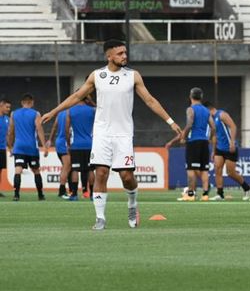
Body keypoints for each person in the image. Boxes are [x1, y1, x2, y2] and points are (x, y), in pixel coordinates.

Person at [41, 40, 182, 230]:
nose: (124, 56)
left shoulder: (133, 76)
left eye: (125, 52)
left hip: (123, 134)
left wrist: (170, 121)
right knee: (101, 173)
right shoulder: (97, 76)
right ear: (109, 56)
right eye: (120, 53)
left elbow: (150, 100)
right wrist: (54, 111)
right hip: (101, 134)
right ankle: (100, 218)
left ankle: (132, 204)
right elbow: (76, 97)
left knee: (126, 176)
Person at [166, 87, 214, 202]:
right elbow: (213, 127)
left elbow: (189, 124)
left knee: (191, 169)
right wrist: (209, 139)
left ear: (190, 97)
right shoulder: (207, 111)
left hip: (193, 142)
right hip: (204, 142)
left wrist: (184, 137)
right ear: (201, 97)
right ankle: (205, 195)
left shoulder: (191, 109)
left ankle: (191, 194)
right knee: (204, 170)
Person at [203, 101, 250, 201]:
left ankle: (247, 187)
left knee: (231, 173)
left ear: (208, 109)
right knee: (217, 170)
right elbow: (215, 136)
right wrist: (213, 150)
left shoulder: (222, 114)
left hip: (230, 148)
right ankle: (220, 194)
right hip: (219, 149)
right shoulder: (211, 120)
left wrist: (232, 142)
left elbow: (233, 126)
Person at [7, 93, 49, 201]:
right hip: (31, 146)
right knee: (36, 170)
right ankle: (40, 195)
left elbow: (10, 131)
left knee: (18, 170)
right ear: (32, 102)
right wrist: (44, 146)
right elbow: (39, 129)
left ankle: (16, 195)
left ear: (22, 102)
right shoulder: (36, 114)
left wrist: (10, 146)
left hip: (19, 146)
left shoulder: (14, 114)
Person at [66, 95, 96, 200]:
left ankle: (74, 194)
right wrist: (91, 102)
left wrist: (68, 143)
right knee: (91, 170)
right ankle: (92, 194)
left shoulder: (70, 111)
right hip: (90, 144)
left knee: (75, 169)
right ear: (86, 99)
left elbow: (67, 129)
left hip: (76, 145)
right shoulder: (92, 110)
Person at [48, 110, 72, 199]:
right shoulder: (72, 112)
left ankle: (71, 191)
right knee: (67, 166)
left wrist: (50, 139)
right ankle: (62, 191)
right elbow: (68, 130)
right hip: (65, 142)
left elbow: (54, 127)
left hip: (59, 142)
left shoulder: (61, 113)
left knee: (68, 167)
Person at [0, 99, 12, 198]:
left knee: (0, 170)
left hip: (2, 148)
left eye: (9, 107)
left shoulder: (7, 119)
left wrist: (10, 147)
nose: (8, 109)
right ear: (1, 106)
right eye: (7, 107)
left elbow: (7, 135)